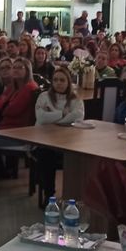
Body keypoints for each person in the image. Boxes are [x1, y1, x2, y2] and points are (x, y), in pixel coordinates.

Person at [33, 68, 85, 201]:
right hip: (45, 140)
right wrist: (62, 114)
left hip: (68, 142)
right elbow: (41, 118)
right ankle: (49, 194)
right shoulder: (44, 97)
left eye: (62, 80)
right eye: (55, 80)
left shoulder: (75, 99)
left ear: (68, 82)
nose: (58, 83)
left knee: (79, 156)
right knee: (45, 155)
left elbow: (78, 116)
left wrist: (52, 117)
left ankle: (72, 195)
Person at [0, 58, 40, 129]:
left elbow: (11, 110)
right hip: (5, 124)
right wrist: (5, 105)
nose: (16, 70)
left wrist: (4, 103)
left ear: (28, 70)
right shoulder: (13, 86)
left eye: (20, 68)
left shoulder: (30, 87)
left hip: (18, 128)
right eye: (14, 67)